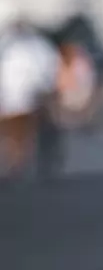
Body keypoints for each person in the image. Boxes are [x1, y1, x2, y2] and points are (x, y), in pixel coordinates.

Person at [0, 18, 61, 179]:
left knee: (37, 131)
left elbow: (48, 68)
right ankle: (15, 163)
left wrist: (45, 88)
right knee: (14, 134)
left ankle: (36, 162)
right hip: (12, 100)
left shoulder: (37, 46)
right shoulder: (7, 45)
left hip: (34, 97)